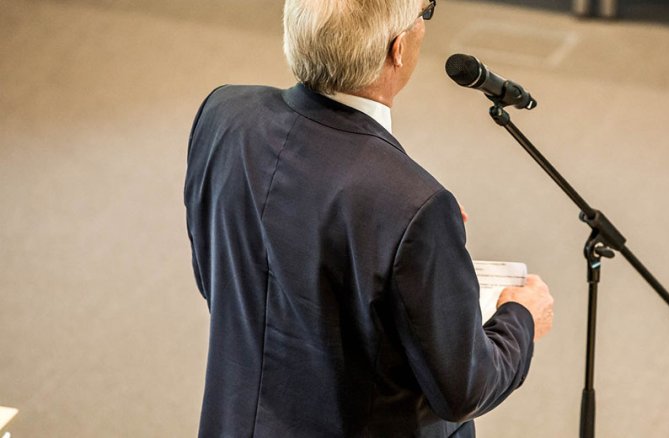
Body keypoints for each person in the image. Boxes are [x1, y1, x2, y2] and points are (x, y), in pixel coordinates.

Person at [183, 0, 554, 436]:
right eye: (424, 13)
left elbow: (219, 280)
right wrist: (521, 318)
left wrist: (401, 235)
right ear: (397, 49)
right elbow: (464, 389)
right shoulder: (413, 203)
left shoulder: (224, 114)